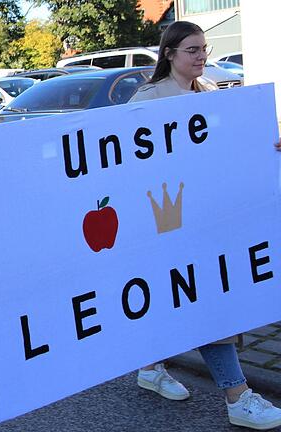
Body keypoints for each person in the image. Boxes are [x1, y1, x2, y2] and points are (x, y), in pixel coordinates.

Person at [129, 21, 281, 431]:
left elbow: (227, 149)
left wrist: (265, 145)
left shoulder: (212, 93)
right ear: (169, 54)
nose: (202, 57)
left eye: (204, 49)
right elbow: (129, 165)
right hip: (169, 223)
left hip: (209, 221)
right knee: (208, 306)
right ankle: (237, 395)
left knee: (180, 300)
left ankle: (149, 365)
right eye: (192, 50)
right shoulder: (148, 98)